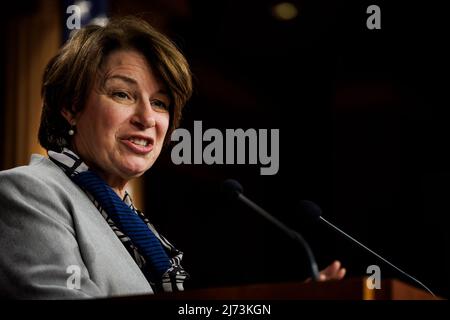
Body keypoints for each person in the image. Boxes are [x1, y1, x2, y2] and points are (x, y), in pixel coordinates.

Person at [0, 16, 345, 299]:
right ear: (71, 107)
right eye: (123, 94)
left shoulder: (126, 221)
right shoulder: (26, 192)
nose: (147, 118)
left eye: (160, 103)